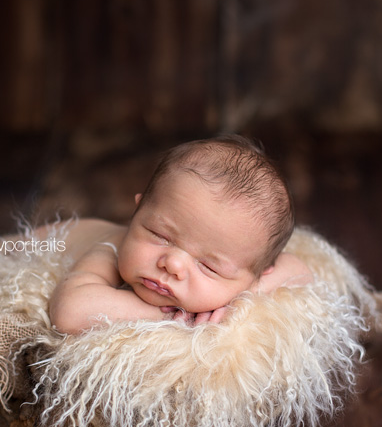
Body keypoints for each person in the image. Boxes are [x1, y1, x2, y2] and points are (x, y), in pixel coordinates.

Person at [47, 135, 314, 335]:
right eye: (160, 235)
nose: (172, 264)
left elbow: (300, 271)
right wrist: (173, 315)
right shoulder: (110, 250)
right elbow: (69, 313)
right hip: (27, 244)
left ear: (260, 271)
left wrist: (242, 295)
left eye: (208, 266)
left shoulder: (249, 270)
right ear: (137, 210)